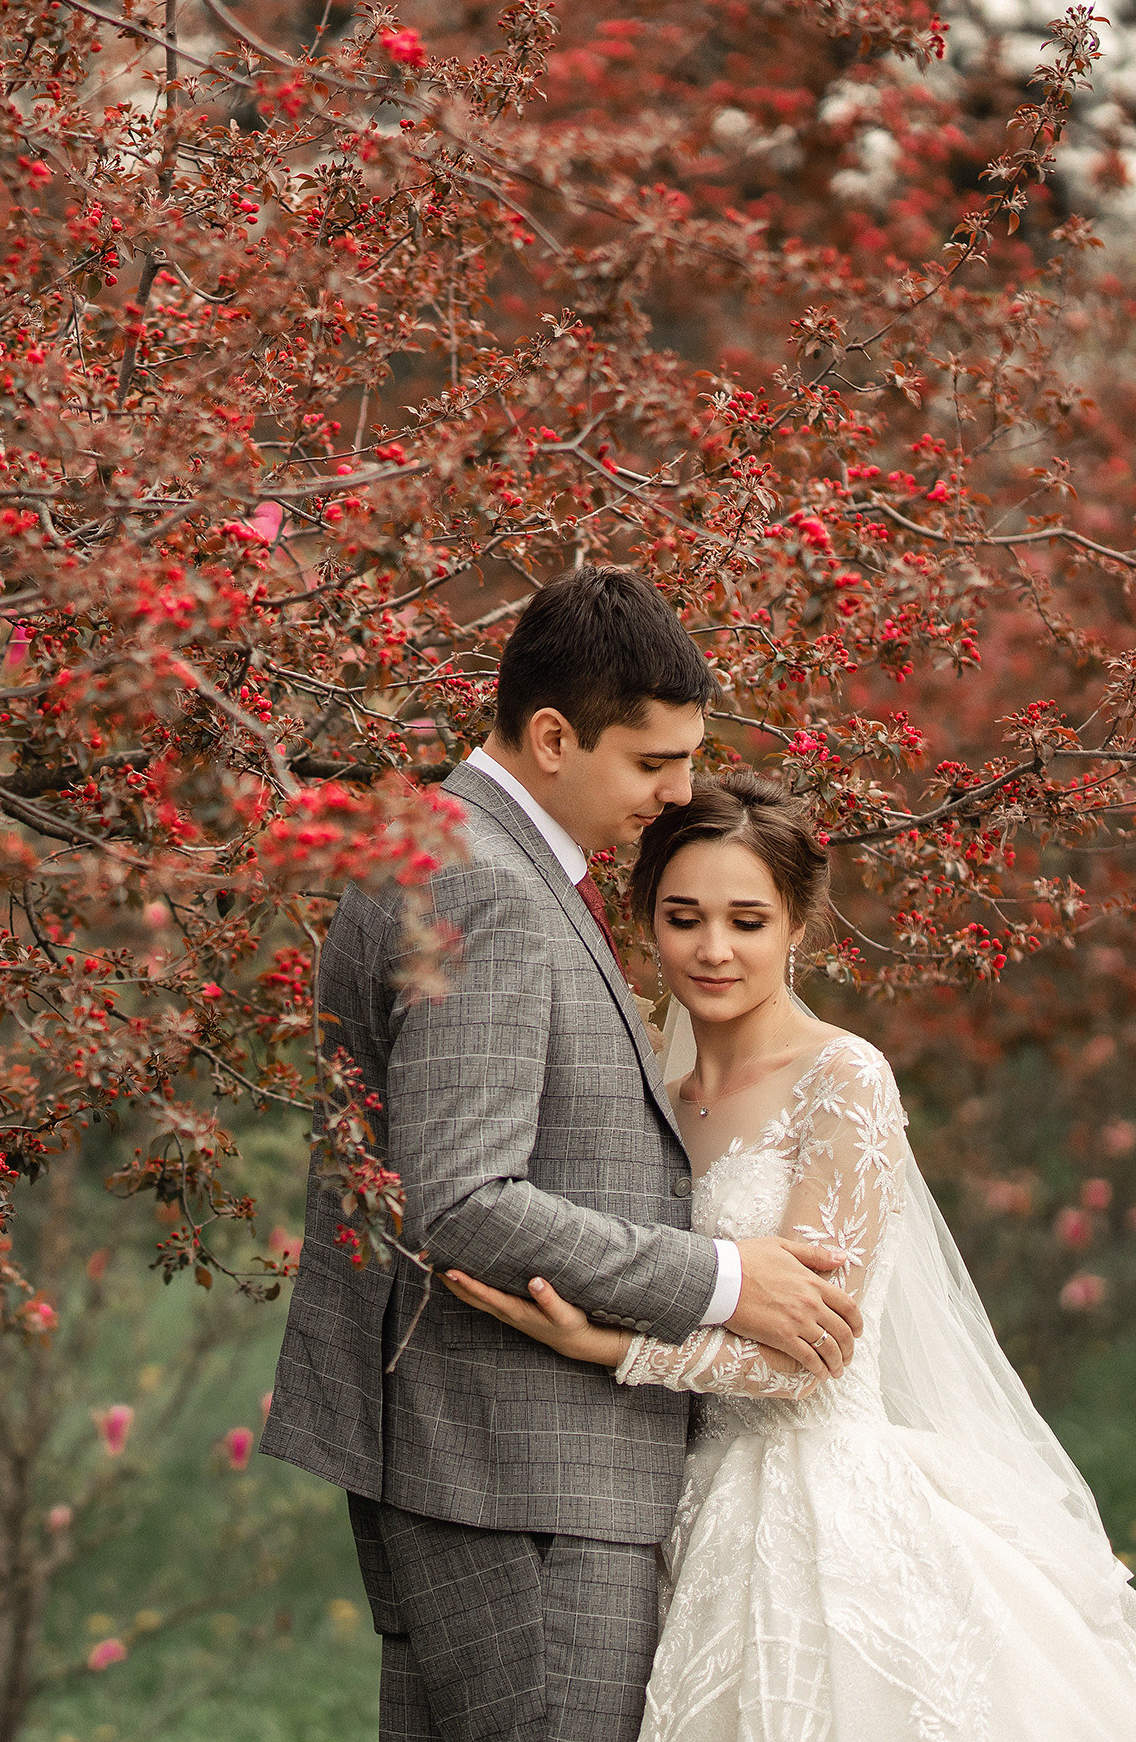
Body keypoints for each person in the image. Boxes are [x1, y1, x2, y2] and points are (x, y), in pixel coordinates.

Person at [442, 772, 1136, 1741]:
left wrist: (607, 1347)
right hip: (673, 1497)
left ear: (799, 925)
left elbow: (812, 1355)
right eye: (684, 916)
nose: (713, 948)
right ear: (644, 918)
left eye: (747, 919)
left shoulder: (840, 1078)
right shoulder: (647, 1087)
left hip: (819, 1502)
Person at [260, 567, 868, 1742]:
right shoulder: (486, 886)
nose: (679, 791)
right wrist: (728, 1278)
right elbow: (467, 1199)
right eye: (652, 763)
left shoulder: (444, 850)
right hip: (522, 1468)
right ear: (551, 736)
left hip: (481, 1457)